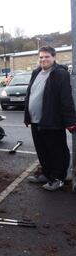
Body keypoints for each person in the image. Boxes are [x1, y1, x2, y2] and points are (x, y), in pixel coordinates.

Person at [24, 46, 76, 191]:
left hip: (52, 121)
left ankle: (58, 179)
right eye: (41, 57)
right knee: (42, 151)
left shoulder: (60, 73)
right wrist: (27, 117)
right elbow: (30, 94)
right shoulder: (36, 72)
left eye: (46, 57)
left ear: (54, 57)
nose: (43, 60)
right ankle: (47, 175)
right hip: (36, 122)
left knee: (57, 151)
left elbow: (66, 98)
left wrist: (70, 121)